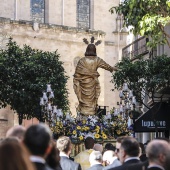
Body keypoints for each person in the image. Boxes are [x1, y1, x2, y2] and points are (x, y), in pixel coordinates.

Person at [73, 38, 117, 116]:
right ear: (94, 50)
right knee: (92, 101)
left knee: (85, 102)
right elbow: (107, 66)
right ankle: (91, 117)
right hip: (92, 84)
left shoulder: (81, 61)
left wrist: (80, 80)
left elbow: (77, 75)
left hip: (83, 84)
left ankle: (85, 116)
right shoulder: (97, 60)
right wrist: (113, 68)